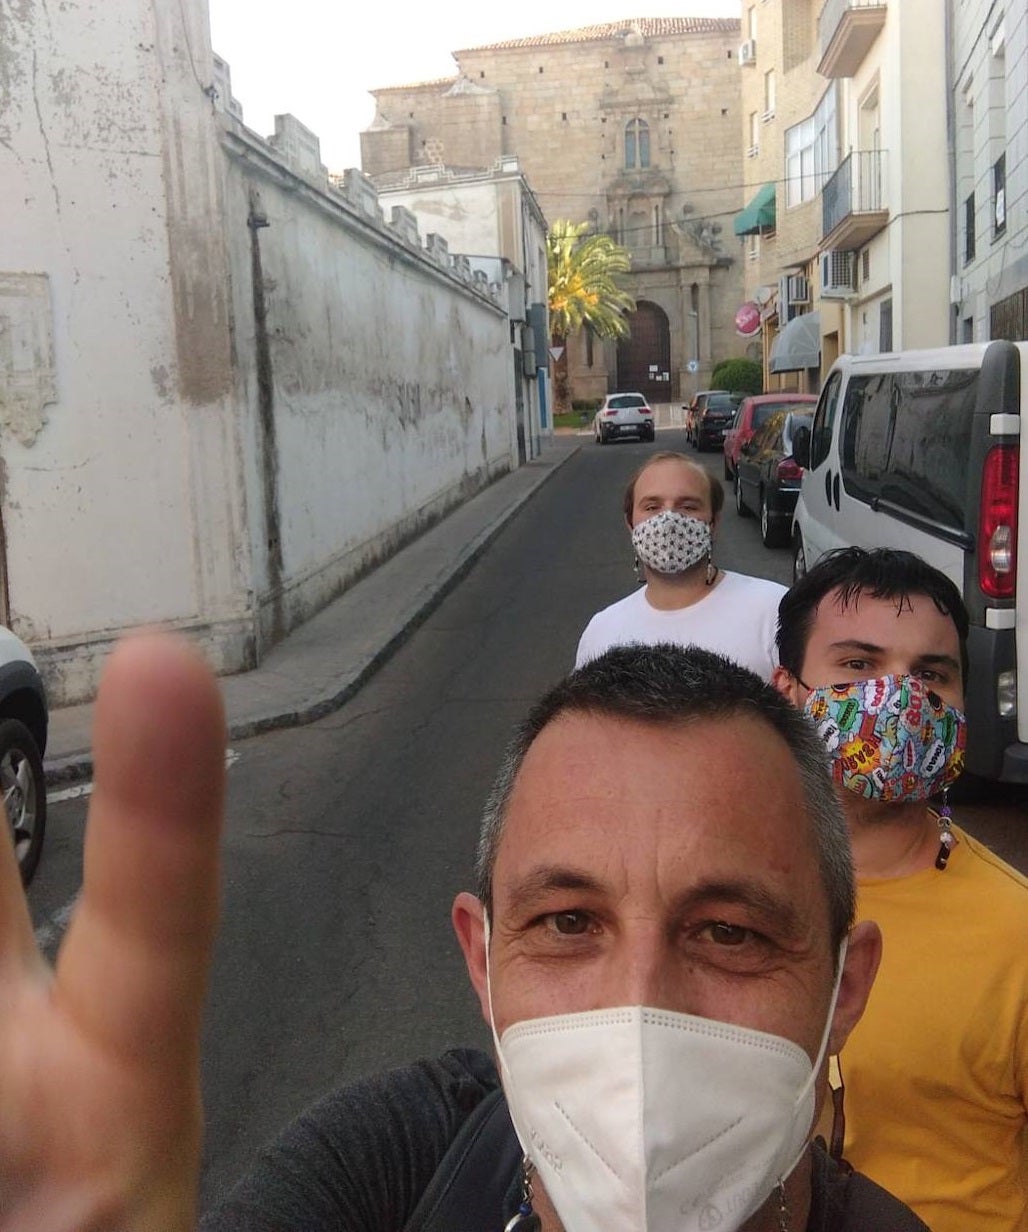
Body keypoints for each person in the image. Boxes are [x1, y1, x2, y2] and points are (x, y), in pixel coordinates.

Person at [0, 637, 924, 1232]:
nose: (638, 1006)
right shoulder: (393, 1169)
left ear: (845, 987)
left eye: (729, 933)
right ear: (482, 959)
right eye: (567, 923)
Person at [774, 547, 1028, 1232]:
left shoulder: (1016, 932)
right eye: (858, 666)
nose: (901, 698)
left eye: (932, 675)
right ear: (786, 690)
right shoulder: (717, 897)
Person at [574, 452, 786, 680]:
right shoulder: (602, 633)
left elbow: (822, 710)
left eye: (688, 507)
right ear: (630, 523)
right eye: (652, 507)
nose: (669, 520)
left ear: (713, 523)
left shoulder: (775, 610)